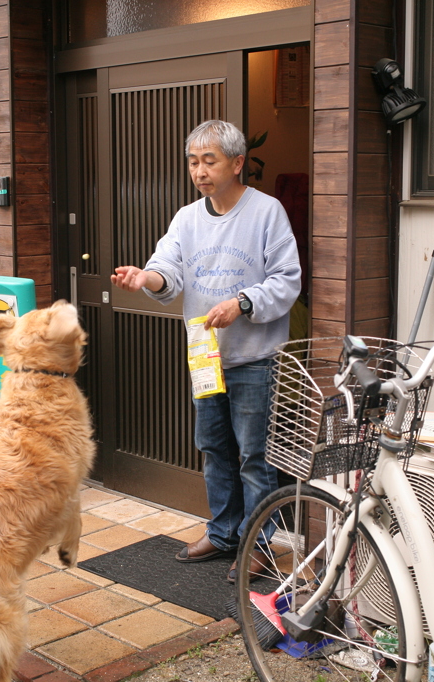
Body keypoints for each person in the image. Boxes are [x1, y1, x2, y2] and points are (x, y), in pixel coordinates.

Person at [110, 119, 302, 582]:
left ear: (237, 163)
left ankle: (258, 545)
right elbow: (166, 269)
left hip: (256, 358)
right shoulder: (186, 218)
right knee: (214, 447)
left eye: (209, 161)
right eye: (193, 161)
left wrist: (241, 303)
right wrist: (145, 279)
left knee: (256, 456)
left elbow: (287, 279)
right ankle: (223, 533)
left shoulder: (267, 212)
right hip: (205, 356)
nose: (199, 170)